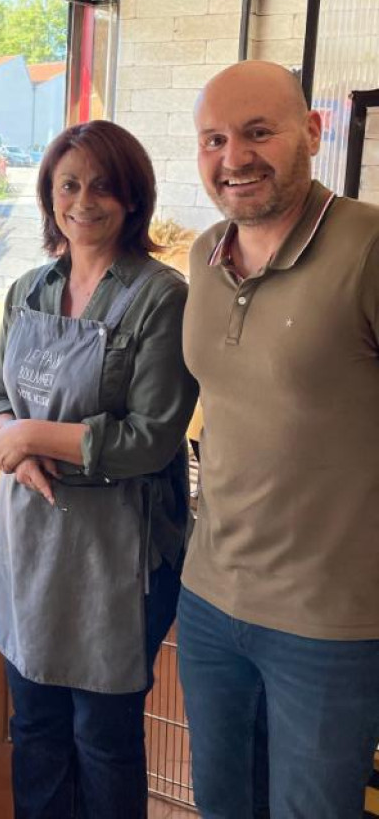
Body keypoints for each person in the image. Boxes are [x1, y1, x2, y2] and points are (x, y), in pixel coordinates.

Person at [0, 119, 198, 819]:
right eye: (67, 184)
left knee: (102, 738)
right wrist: (4, 431)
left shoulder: (162, 297)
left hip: (117, 557)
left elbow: (152, 438)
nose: (83, 200)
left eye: (103, 185)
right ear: (49, 197)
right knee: (34, 727)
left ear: (132, 198)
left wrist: (35, 433)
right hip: (28, 547)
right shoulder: (28, 291)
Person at [179, 60, 379, 819]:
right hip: (210, 598)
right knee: (223, 804)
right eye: (214, 139)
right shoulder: (204, 255)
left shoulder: (368, 248)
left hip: (329, 622)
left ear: (314, 134)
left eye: (259, 132)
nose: (235, 158)